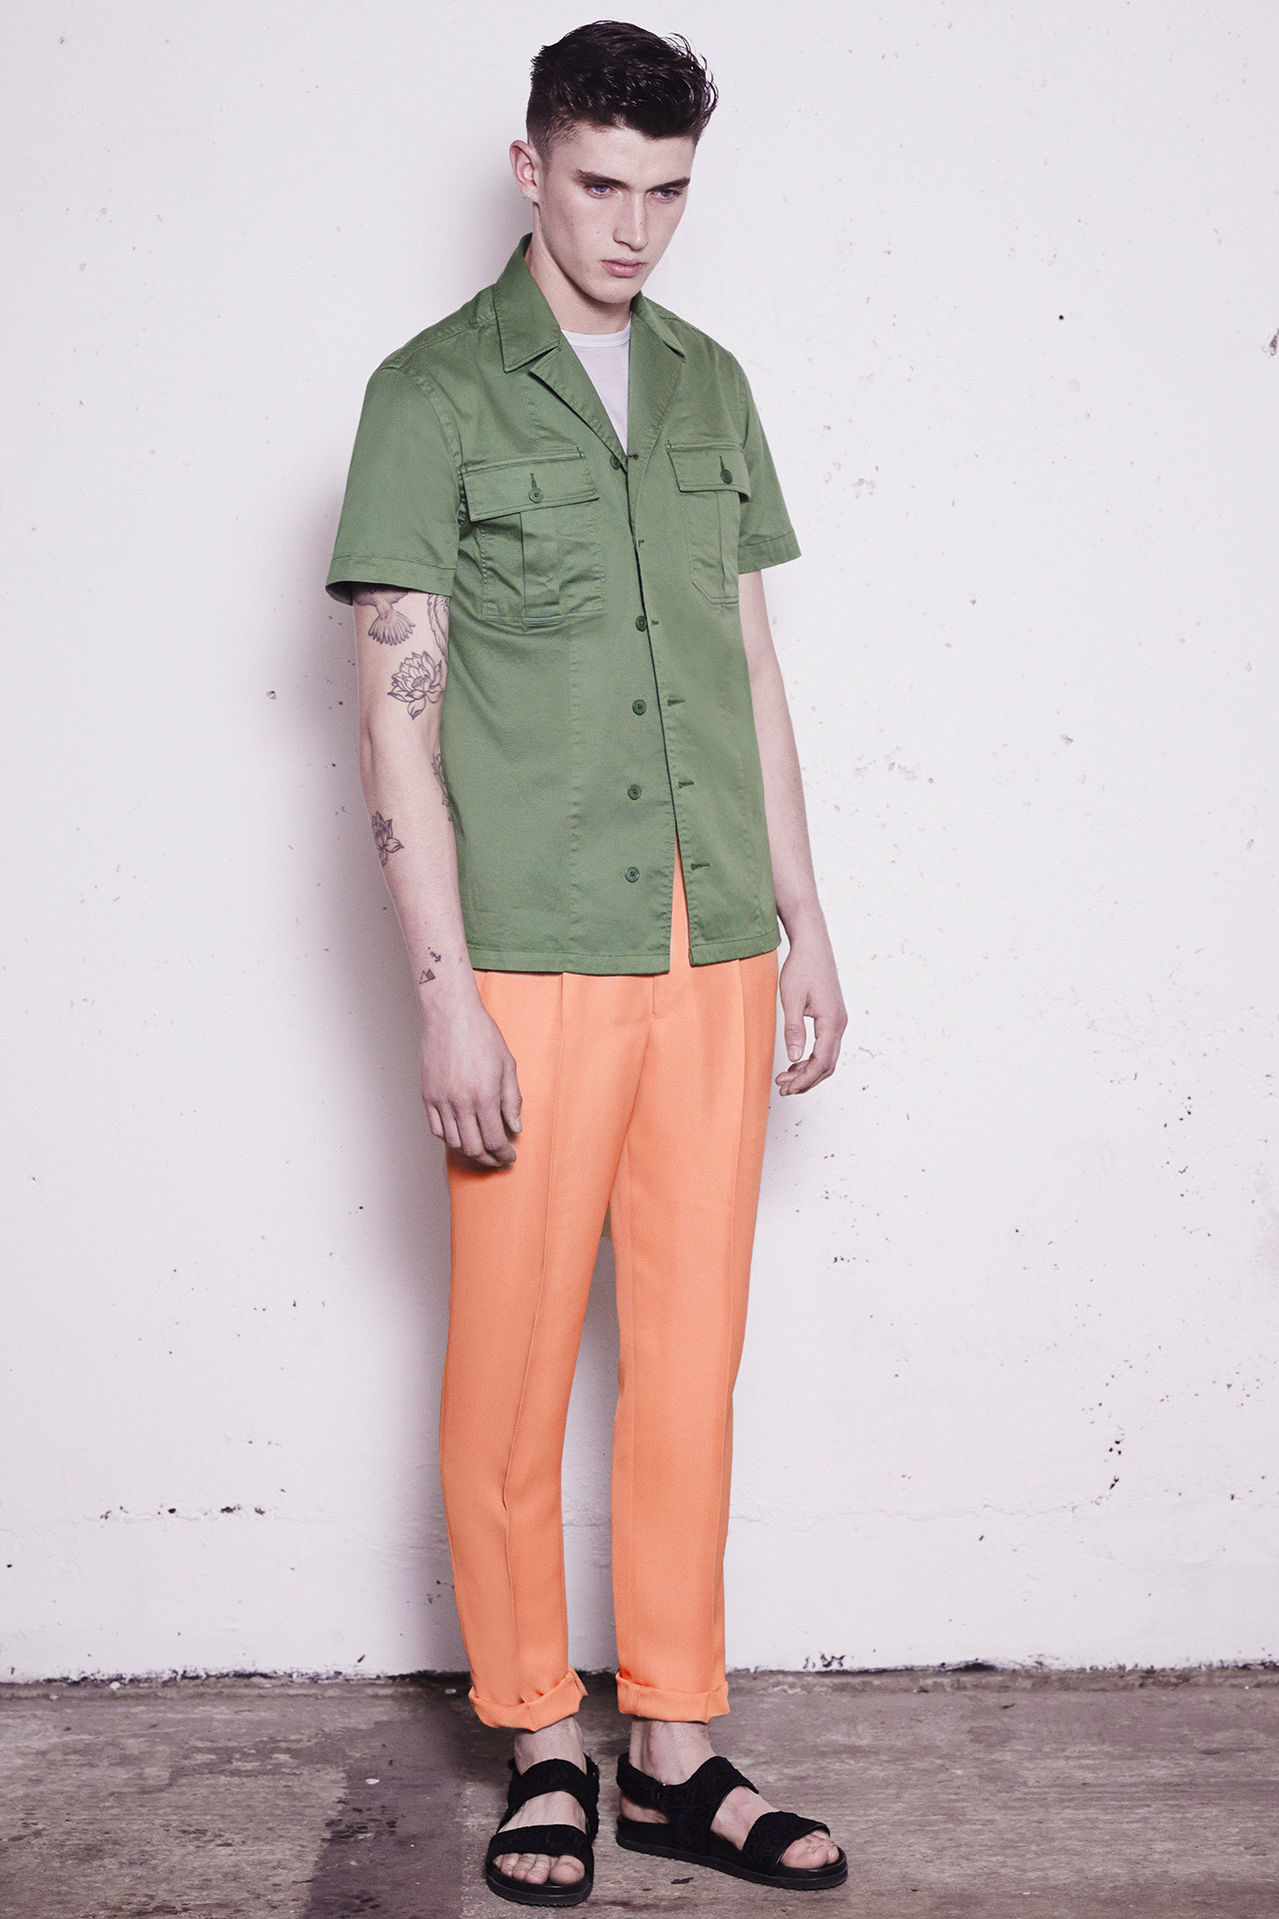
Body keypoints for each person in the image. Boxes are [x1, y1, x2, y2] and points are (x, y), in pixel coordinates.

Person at [325, 20, 848, 1906]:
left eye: (669, 193)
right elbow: (394, 721)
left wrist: (806, 918)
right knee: (514, 1364)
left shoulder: (712, 385)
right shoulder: (431, 395)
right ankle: (542, 1740)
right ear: (530, 167)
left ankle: (677, 1750)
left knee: (691, 1364)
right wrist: (445, 998)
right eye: (603, 184)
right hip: (534, 958)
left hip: (715, 946)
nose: (635, 229)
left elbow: (750, 665)